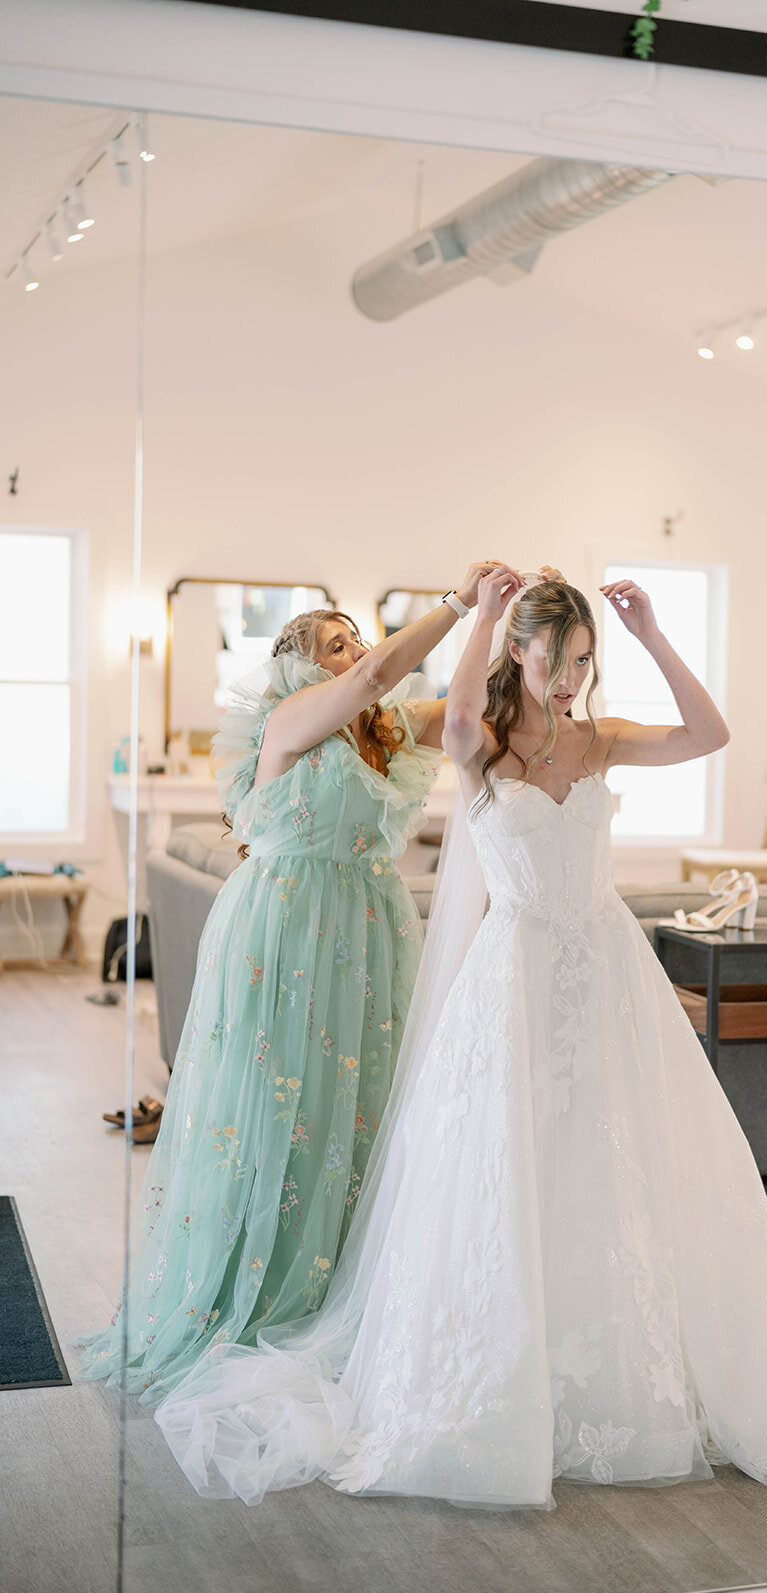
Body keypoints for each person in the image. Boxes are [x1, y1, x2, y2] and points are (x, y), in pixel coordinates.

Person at [155, 581, 767, 1508]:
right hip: (512, 975)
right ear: (521, 654)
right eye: (559, 659)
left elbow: (708, 733)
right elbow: (456, 713)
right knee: (511, 1165)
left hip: (605, 971)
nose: (572, 678)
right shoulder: (477, 741)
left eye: (586, 661)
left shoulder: (600, 737)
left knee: (622, 1158)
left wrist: (654, 635)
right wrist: (479, 617)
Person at [78, 560, 522, 1402]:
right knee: (280, 1097)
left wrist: (499, 625)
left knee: (360, 1103)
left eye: (354, 637)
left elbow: (469, 712)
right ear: (295, 664)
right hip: (285, 926)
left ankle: (347, 1292)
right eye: (333, 642)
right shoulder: (288, 720)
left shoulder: (383, 728)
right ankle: (259, 1286)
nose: (353, 650)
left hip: (369, 927)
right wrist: (459, 602)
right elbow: (376, 673)